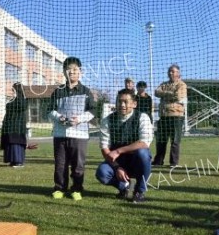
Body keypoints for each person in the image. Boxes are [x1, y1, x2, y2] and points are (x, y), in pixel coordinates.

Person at [48, 57, 96, 201]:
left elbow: (93, 111)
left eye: (75, 69)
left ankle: (77, 189)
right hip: (60, 134)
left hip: (79, 135)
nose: (71, 72)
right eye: (68, 69)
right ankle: (59, 188)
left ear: (80, 72)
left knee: (78, 164)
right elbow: (49, 109)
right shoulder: (58, 91)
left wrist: (79, 119)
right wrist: (59, 118)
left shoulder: (86, 91)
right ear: (64, 72)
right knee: (60, 164)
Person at [95, 90, 153, 203]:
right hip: (118, 161)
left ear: (134, 104)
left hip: (136, 161)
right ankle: (124, 187)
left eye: (126, 102)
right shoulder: (107, 120)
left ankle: (139, 192)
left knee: (143, 153)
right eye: (119, 101)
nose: (122, 105)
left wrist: (118, 151)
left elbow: (144, 143)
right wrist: (117, 168)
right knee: (102, 172)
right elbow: (104, 148)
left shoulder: (143, 117)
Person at [152, 64, 187, 167]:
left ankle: (173, 163)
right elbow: (156, 92)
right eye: (169, 71)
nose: (170, 73)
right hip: (163, 116)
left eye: (173, 71)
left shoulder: (182, 85)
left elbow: (178, 96)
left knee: (175, 140)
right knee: (161, 140)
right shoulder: (164, 84)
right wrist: (170, 93)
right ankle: (158, 161)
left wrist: (164, 95)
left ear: (178, 73)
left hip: (176, 116)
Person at [0, 82, 28, 168]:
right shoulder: (13, 100)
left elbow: (22, 106)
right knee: (10, 143)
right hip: (9, 126)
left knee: (16, 143)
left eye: (14, 90)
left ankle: (18, 161)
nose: (12, 92)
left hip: (17, 127)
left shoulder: (22, 100)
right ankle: (12, 161)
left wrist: (17, 95)